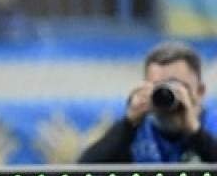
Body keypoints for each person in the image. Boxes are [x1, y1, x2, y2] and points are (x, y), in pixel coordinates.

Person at [79, 41, 217, 163]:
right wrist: (128, 125)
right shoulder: (135, 131)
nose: (166, 94)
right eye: (158, 87)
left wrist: (196, 133)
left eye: (176, 86)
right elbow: (84, 172)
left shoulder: (212, 124)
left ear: (200, 91)